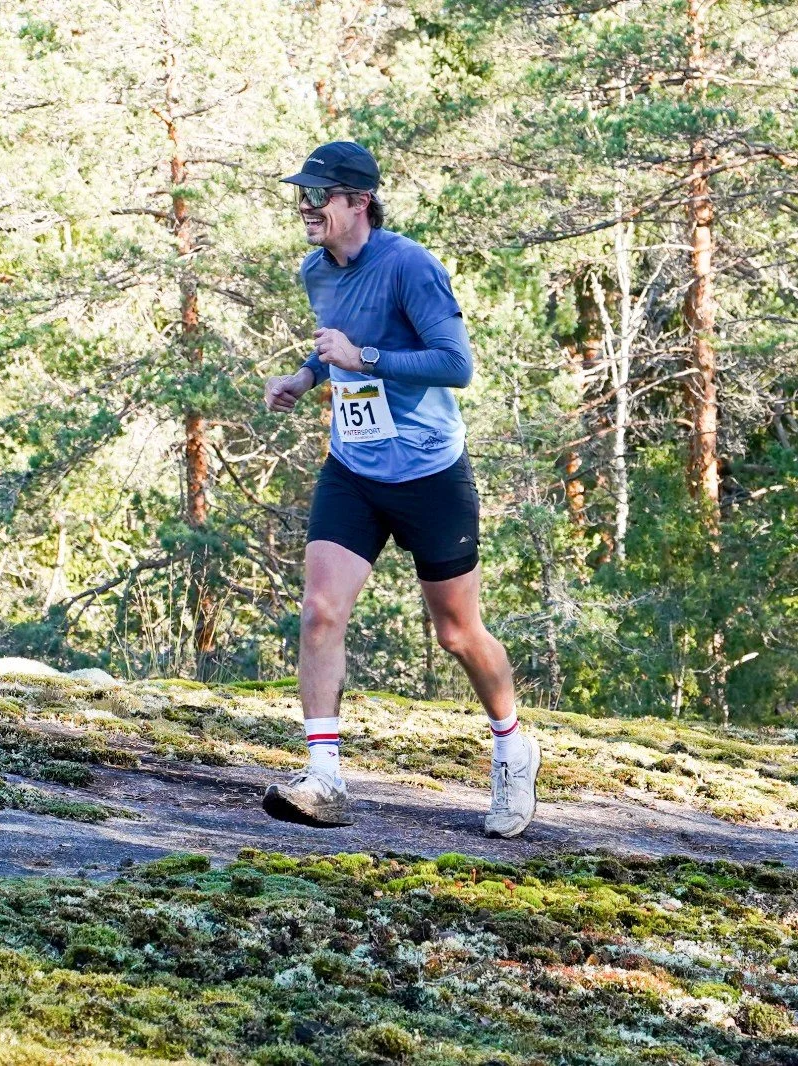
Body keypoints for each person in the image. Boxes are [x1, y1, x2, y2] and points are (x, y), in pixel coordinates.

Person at [261, 141, 539, 838]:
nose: (305, 206)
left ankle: (513, 748)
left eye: (318, 195)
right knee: (320, 611)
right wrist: (305, 377)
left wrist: (365, 359)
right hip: (354, 470)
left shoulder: (411, 266)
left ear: (359, 201)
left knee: (457, 632)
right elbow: (335, 348)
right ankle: (323, 778)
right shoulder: (316, 271)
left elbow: (456, 365)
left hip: (429, 474)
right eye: (301, 194)